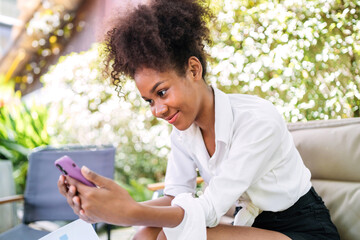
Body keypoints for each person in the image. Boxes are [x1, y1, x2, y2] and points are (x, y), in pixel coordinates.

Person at [57, 0, 340, 239]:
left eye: (162, 92)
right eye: (149, 101)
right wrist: (110, 206)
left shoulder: (257, 121)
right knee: (145, 232)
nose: (157, 110)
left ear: (193, 69)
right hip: (254, 228)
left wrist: (127, 212)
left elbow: (208, 210)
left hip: (303, 229)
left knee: (178, 234)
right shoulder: (183, 131)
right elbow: (174, 197)